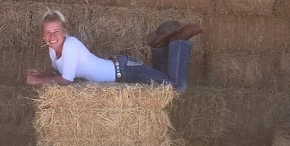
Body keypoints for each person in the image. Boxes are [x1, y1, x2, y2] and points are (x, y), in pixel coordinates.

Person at [25, 9, 202, 92]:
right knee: (164, 79)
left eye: (56, 31)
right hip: (123, 68)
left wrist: (36, 81)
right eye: (47, 32)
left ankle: (178, 41)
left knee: (176, 86)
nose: (52, 36)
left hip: (127, 71)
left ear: (65, 32)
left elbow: (65, 80)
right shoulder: (52, 48)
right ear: (43, 36)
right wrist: (41, 74)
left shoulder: (70, 46)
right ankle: (160, 46)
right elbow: (57, 70)